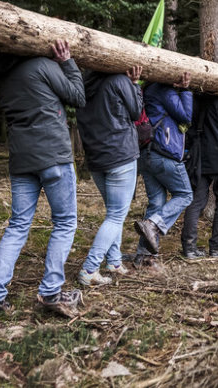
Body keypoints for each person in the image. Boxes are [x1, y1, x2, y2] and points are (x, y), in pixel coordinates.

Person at [0, 41, 86, 320]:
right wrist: (68, 63)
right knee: (65, 222)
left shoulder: (3, 75)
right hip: (53, 155)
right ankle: (51, 291)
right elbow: (78, 97)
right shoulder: (42, 66)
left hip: (20, 159)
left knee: (17, 226)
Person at [76, 66, 144, 284]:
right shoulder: (119, 80)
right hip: (120, 154)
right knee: (116, 215)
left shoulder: (82, 83)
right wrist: (134, 85)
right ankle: (90, 269)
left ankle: (114, 261)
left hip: (96, 158)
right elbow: (136, 112)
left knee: (114, 214)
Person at [134, 72, 194, 266]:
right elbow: (186, 117)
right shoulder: (163, 90)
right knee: (185, 194)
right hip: (164, 152)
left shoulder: (146, 90)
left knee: (156, 203)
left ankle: (145, 257)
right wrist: (185, 90)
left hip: (147, 153)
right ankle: (153, 224)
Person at [181, 93, 218, 258]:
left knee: (196, 202)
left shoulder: (195, 99)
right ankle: (217, 247)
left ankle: (189, 247)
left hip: (201, 159)